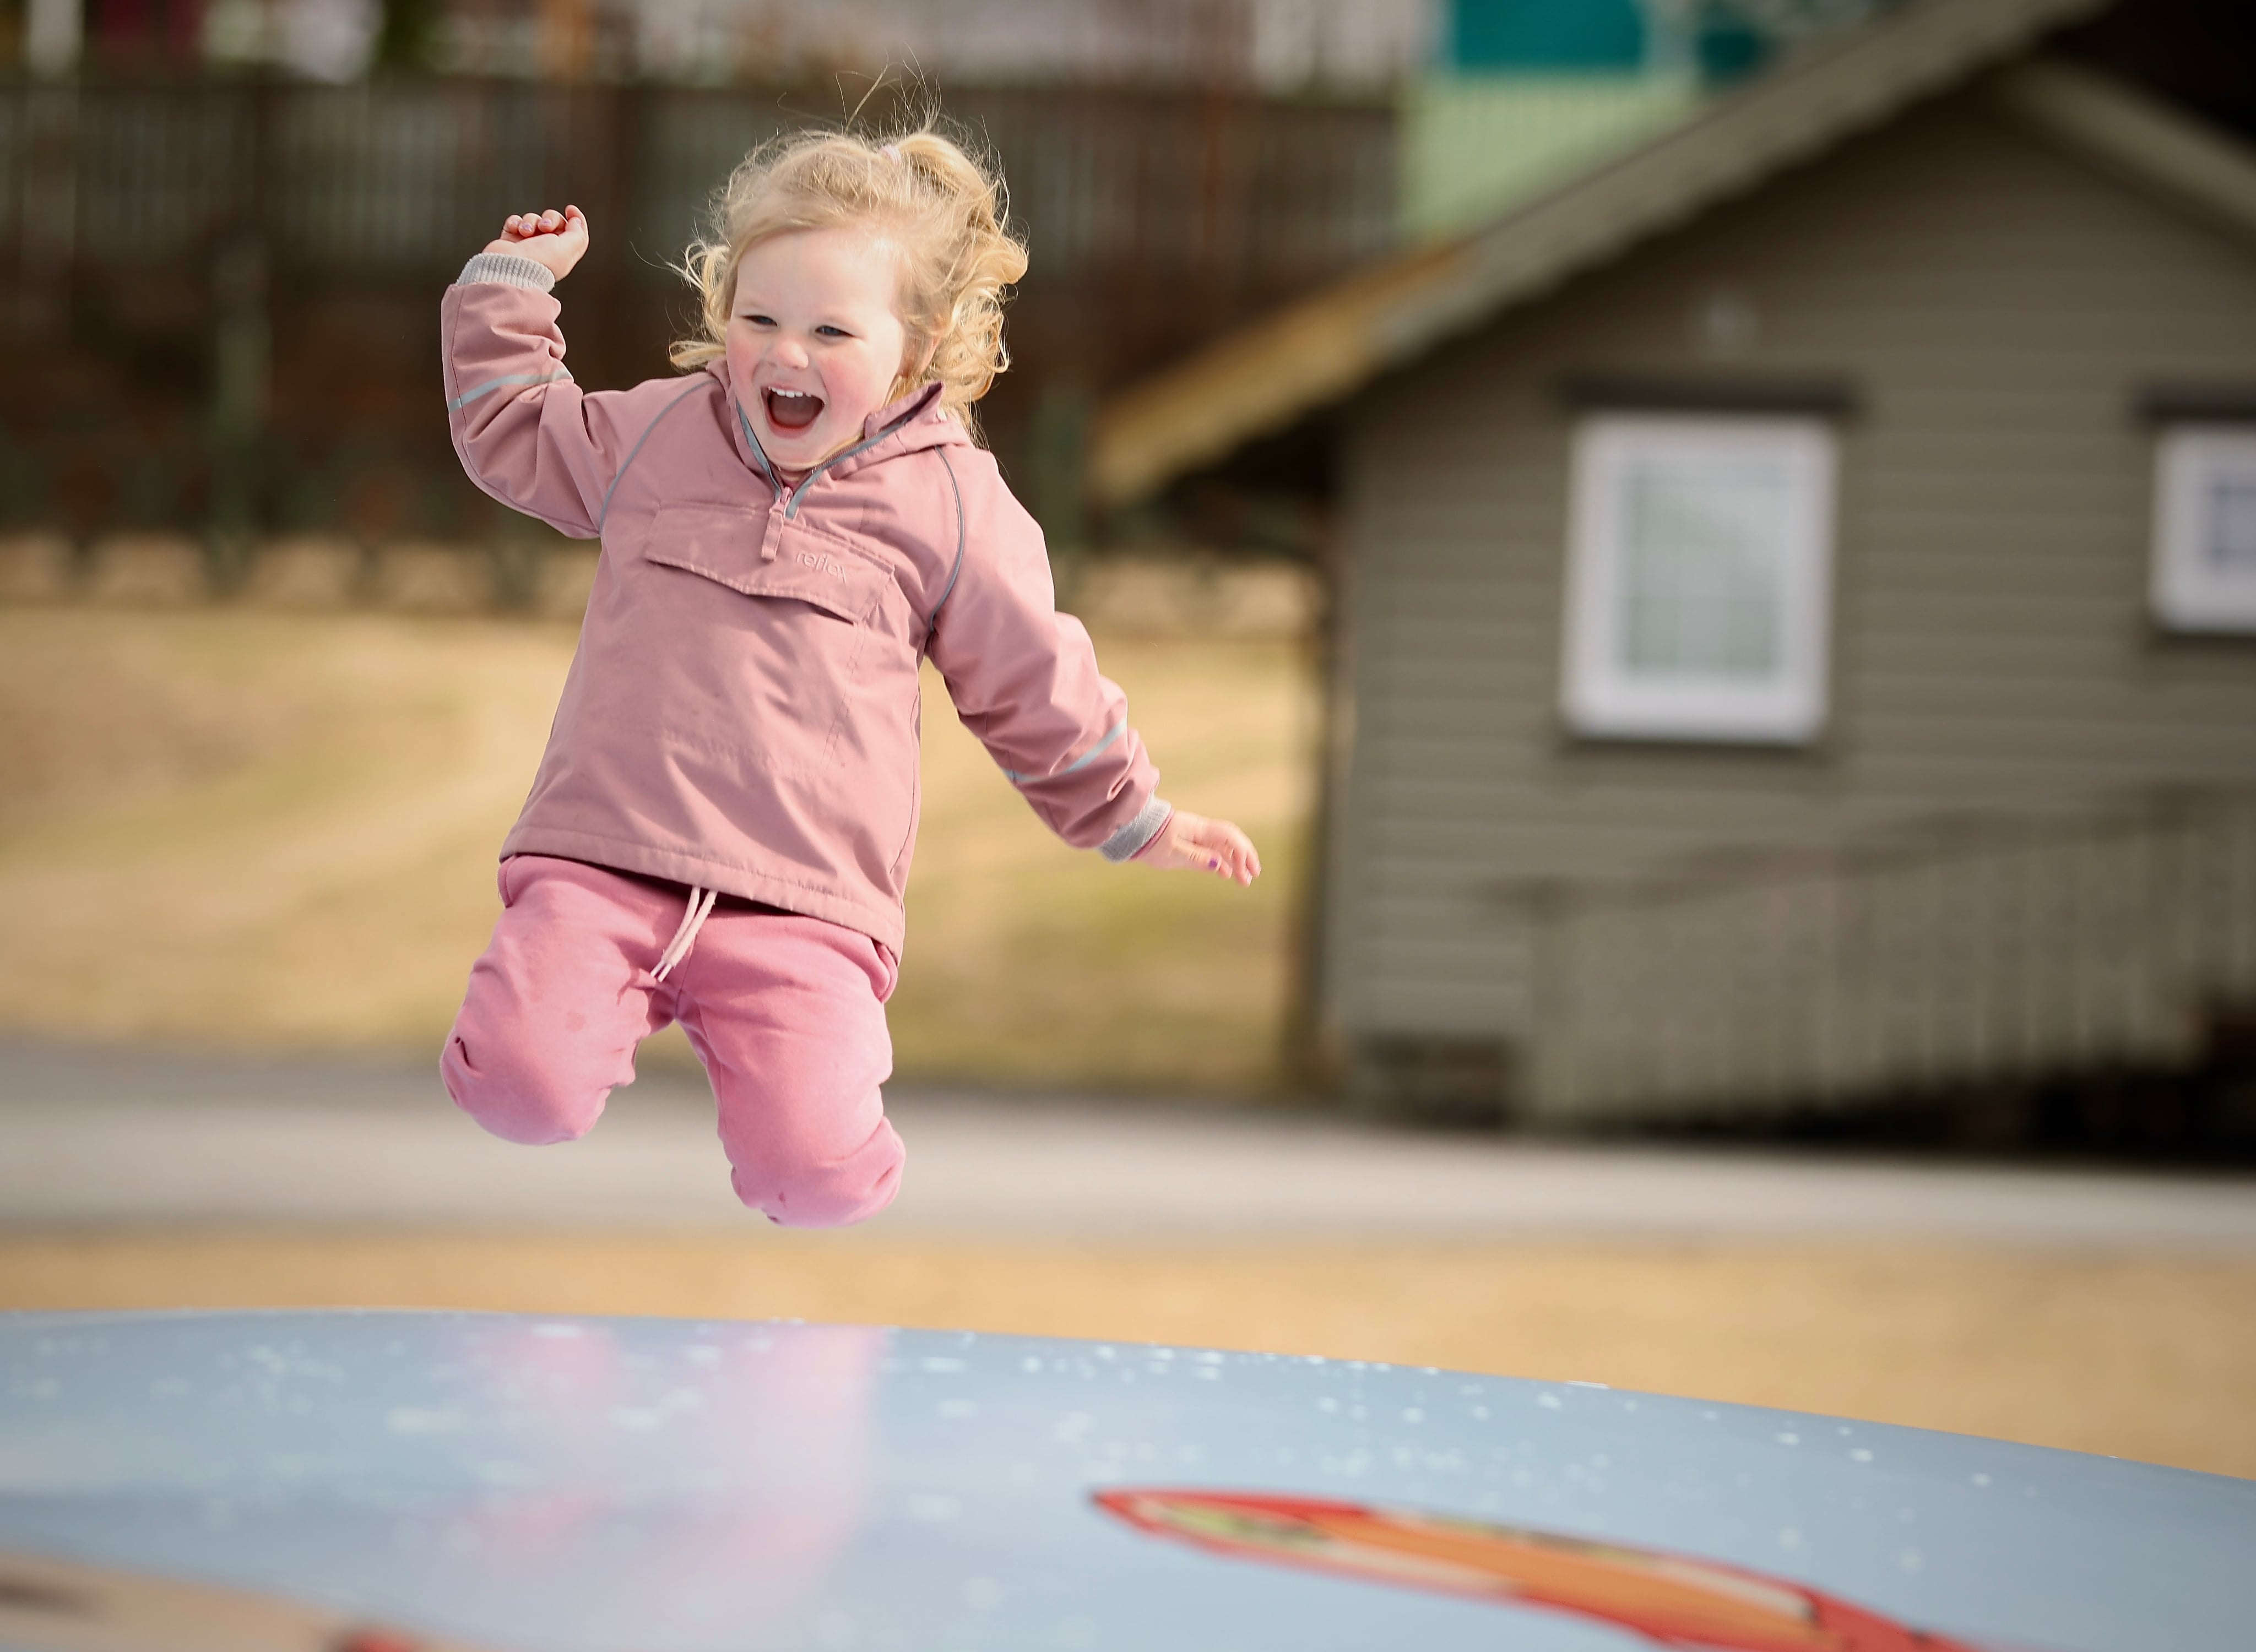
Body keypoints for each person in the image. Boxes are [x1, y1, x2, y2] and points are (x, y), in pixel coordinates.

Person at [437, 127, 1260, 1227]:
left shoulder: (952, 506)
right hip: (607, 859)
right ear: (723, 313)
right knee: (519, 1090)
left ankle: (825, 1148)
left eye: (830, 331)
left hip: (804, 909)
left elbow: (1033, 681)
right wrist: (507, 287)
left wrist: (1133, 816)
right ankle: (535, 1048)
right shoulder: (659, 436)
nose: (786, 355)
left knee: (814, 1180)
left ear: (912, 349)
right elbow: (514, 430)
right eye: (759, 319)